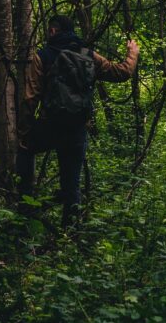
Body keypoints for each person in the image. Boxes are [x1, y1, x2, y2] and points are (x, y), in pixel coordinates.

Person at [16, 14, 140, 227]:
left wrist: (24, 133)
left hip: (50, 126)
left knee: (24, 152)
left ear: (53, 31)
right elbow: (122, 73)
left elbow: (30, 98)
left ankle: (25, 211)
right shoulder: (89, 55)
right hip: (77, 127)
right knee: (71, 184)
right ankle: (70, 232)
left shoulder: (43, 56)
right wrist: (132, 53)